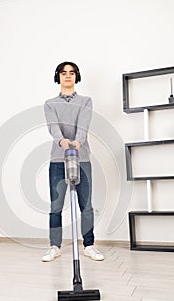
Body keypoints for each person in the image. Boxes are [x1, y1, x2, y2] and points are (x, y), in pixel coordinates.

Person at [42, 61, 104, 262]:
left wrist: (78, 141)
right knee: (56, 206)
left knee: (86, 205)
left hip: (82, 158)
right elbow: (53, 127)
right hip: (58, 160)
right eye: (63, 73)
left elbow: (83, 125)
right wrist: (62, 141)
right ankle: (54, 246)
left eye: (71, 73)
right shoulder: (50, 104)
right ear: (58, 76)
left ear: (76, 77)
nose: (67, 76)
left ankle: (89, 245)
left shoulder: (86, 101)